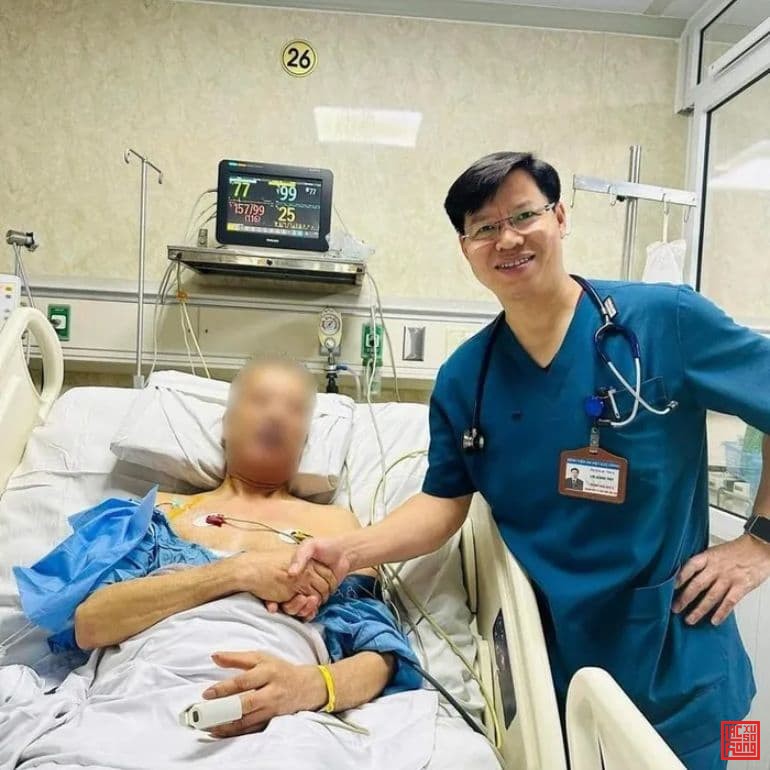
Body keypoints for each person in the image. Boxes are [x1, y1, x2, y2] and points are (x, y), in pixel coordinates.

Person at [287, 152, 770, 770]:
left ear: (560, 217)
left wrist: (760, 542)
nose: (507, 239)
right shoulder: (466, 378)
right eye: (485, 228)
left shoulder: (665, 321)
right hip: (553, 666)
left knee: (727, 758)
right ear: (466, 249)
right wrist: (347, 552)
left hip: (684, 665)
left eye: (523, 216)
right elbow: (443, 503)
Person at [63, 358, 420, 736]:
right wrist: (239, 572)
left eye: (294, 410)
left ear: (305, 441)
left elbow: (381, 656)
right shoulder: (159, 511)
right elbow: (90, 624)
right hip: (138, 698)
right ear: (226, 425)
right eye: (260, 400)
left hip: (283, 719)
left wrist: (311, 687)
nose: (276, 416)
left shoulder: (334, 527)